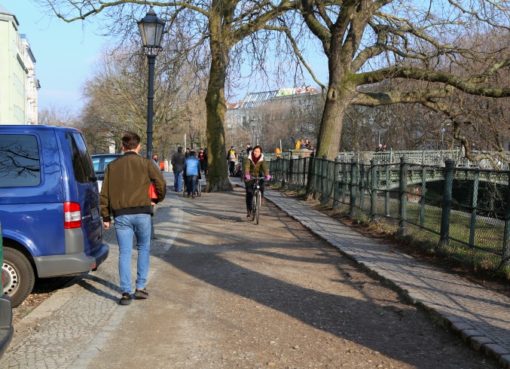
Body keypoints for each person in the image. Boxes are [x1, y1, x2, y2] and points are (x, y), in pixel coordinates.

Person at [100, 132, 166, 305]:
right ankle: (140, 287)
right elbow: (161, 183)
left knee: (125, 252)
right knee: (143, 248)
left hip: (121, 214)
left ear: (122, 146)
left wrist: (105, 216)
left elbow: (104, 193)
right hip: (143, 212)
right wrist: (156, 199)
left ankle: (125, 292)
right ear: (139, 146)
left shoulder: (112, 166)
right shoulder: (146, 163)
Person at [243, 145, 271, 217]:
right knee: (249, 193)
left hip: (259, 175)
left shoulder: (262, 158)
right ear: (253, 151)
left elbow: (265, 167)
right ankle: (249, 210)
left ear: (260, 152)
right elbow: (247, 167)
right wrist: (247, 174)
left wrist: (267, 174)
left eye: (258, 151)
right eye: (255, 151)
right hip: (250, 176)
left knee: (262, 185)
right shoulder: (249, 158)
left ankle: (261, 197)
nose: (256, 153)